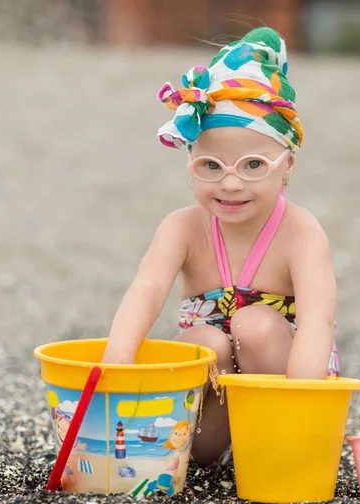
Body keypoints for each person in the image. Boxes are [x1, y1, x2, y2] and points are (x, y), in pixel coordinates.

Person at [102, 27, 339, 466]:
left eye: (254, 165)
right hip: (217, 399)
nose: (231, 183)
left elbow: (317, 322)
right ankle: (202, 454)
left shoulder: (302, 233)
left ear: (287, 167)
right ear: (190, 162)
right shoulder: (182, 228)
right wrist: (115, 364)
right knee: (206, 342)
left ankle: (272, 449)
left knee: (256, 325)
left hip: (285, 389)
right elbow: (147, 288)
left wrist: (304, 412)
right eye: (210, 165)